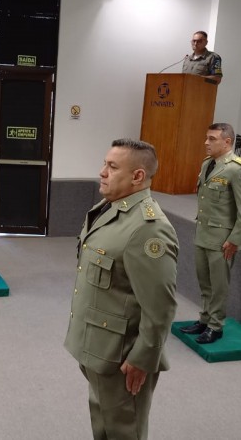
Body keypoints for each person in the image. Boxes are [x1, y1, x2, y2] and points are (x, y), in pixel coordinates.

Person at [64, 139, 178, 440]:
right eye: (105, 163)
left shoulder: (147, 228)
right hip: (99, 348)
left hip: (123, 358)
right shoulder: (108, 209)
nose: (102, 172)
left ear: (137, 176)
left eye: (112, 167)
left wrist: (143, 359)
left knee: (124, 431)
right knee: (102, 422)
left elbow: (161, 306)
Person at [180, 123, 241, 344]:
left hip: (222, 239)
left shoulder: (238, 168)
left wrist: (234, 240)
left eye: (212, 139)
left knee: (219, 285)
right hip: (203, 233)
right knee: (205, 281)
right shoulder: (208, 164)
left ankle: (216, 326)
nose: (206, 142)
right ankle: (204, 320)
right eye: (206, 138)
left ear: (227, 142)